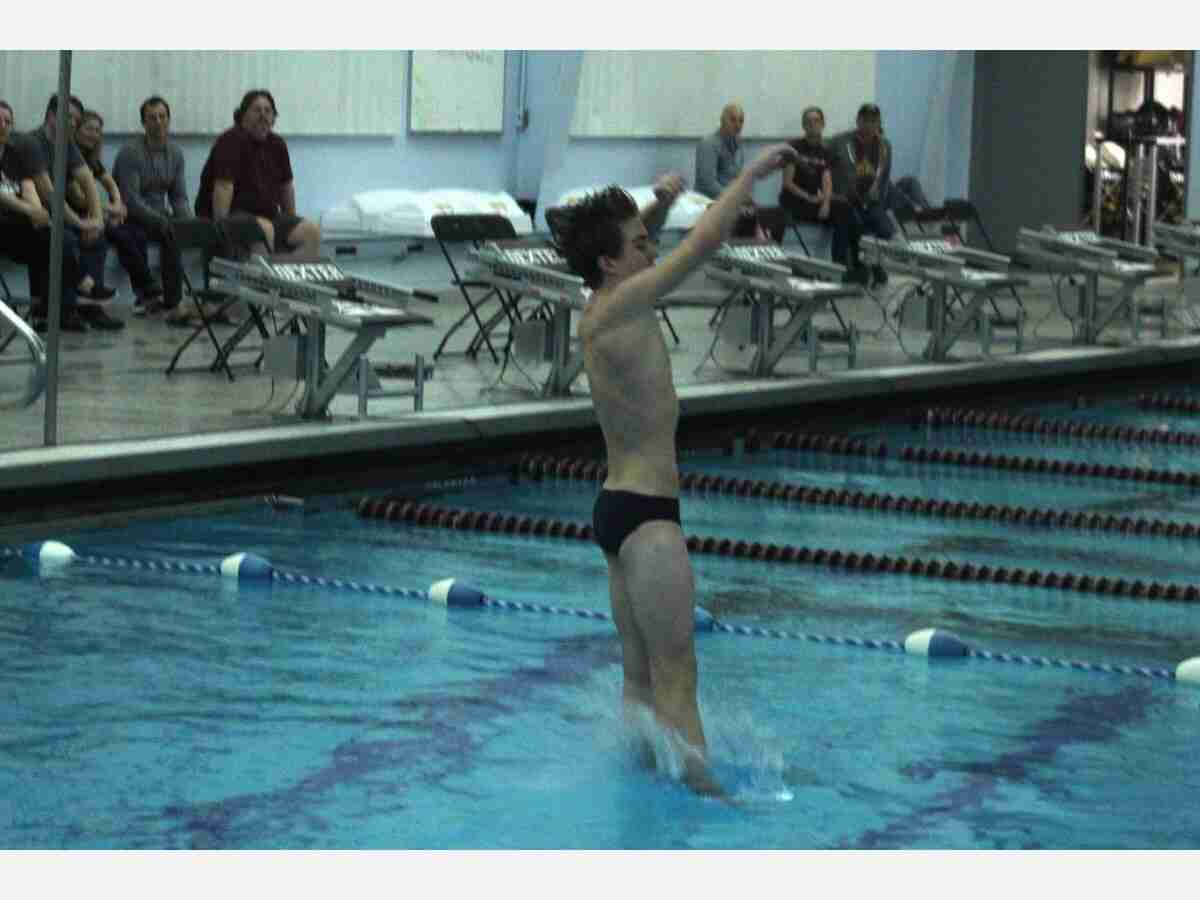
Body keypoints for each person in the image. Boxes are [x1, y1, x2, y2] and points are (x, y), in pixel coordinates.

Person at [556, 143, 798, 796]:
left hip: (618, 509)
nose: (650, 248)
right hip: (650, 520)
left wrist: (657, 204)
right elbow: (703, 245)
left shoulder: (601, 305)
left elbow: (643, 247)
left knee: (640, 678)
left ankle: (641, 787)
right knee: (677, 674)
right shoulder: (624, 305)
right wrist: (750, 176)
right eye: (639, 243)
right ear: (611, 262)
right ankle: (705, 801)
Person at [28, 93, 123, 330]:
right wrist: (82, 223)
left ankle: (90, 307)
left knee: (97, 238)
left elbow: (88, 180)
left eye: (76, 120)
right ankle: (68, 308)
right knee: (67, 238)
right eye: (68, 117)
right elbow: (50, 195)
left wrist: (96, 220)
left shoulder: (66, 144)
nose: (72, 123)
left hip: (56, 216)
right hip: (30, 217)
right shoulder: (33, 143)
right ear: (51, 116)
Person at [195, 89, 321, 259]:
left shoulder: (278, 144)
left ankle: (284, 274)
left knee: (311, 232)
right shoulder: (230, 141)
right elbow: (223, 187)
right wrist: (221, 230)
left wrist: (290, 220)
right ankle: (263, 275)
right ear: (243, 115)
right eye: (257, 110)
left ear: (274, 118)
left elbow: (286, 187)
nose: (263, 115)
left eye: (268, 111)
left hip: (267, 216)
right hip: (232, 215)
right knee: (263, 229)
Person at [72, 109, 167, 320]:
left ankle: (144, 296)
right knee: (117, 234)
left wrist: (117, 203)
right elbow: (78, 199)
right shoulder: (70, 155)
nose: (93, 134)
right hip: (76, 216)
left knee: (137, 233)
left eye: (97, 130)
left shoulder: (91, 159)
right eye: (89, 129)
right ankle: (146, 286)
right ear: (76, 130)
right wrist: (109, 210)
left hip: (95, 214)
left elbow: (110, 184)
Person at [777, 105, 860, 280]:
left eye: (816, 120)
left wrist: (826, 203)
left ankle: (844, 265)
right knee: (844, 211)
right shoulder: (793, 148)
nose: (812, 124)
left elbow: (827, 180)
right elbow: (787, 183)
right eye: (808, 121)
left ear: (823, 124)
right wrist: (809, 197)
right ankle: (842, 267)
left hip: (816, 201)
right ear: (803, 125)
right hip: (795, 201)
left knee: (847, 212)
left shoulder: (826, 151)